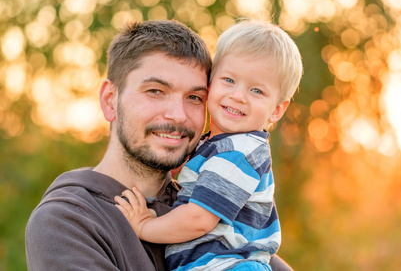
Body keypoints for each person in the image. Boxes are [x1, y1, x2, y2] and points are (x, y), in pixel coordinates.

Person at [25, 19, 293, 270]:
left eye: (195, 97)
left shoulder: (213, 213)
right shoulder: (68, 221)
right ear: (110, 100)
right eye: (156, 91)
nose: (178, 115)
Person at [115, 19, 303, 270]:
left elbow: (199, 219)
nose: (238, 96)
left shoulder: (238, 153)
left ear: (277, 110)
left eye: (257, 91)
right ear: (210, 83)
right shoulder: (217, 145)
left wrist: (144, 226)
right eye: (229, 80)